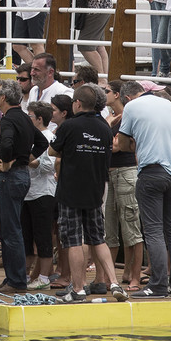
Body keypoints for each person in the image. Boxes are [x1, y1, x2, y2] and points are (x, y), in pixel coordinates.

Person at [119, 80, 171, 297]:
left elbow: (123, 145)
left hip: (151, 172)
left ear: (127, 98)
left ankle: (158, 285)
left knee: (153, 230)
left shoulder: (131, 107)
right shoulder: (168, 104)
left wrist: (136, 144)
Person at [51, 84, 123, 299]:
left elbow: (52, 150)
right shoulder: (104, 127)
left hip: (71, 189)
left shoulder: (70, 125)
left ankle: (78, 288)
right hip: (96, 188)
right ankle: (115, 283)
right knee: (97, 238)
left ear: (78, 103)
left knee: (73, 240)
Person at [0, 81, 36, 292]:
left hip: (11, 177)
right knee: (9, 228)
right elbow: (42, 143)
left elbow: (7, 143)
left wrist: (10, 162)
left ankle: (17, 280)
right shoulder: (25, 118)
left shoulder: (9, 119)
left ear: (4, 98)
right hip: (22, 175)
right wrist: (24, 160)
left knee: (10, 231)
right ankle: (13, 277)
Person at [102, 81, 143, 288]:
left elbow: (116, 146)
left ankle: (132, 275)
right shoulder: (111, 117)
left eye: (107, 91)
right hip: (111, 175)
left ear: (117, 95)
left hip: (126, 173)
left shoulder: (127, 115)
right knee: (110, 227)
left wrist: (107, 129)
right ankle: (114, 276)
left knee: (130, 227)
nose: (104, 94)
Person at [23, 100, 59, 288]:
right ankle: (26, 274)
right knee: (27, 236)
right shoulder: (28, 136)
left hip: (43, 193)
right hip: (27, 192)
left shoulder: (49, 138)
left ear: (39, 119)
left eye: (29, 116)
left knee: (43, 236)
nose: (27, 119)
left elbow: (48, 165)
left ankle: (44, 277)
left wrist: (27, 158)